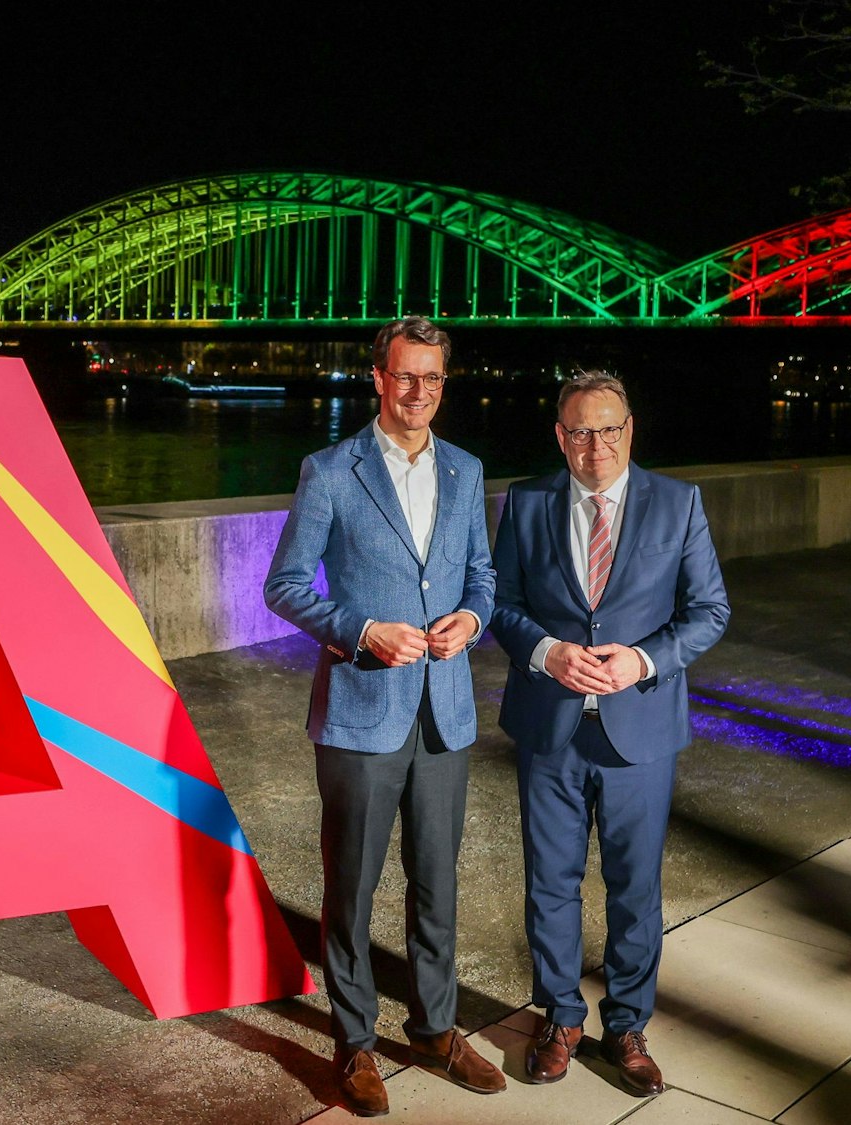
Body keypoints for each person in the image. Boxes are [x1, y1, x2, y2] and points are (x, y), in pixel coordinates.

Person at [264, 316, 504, 1117]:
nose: (418, 393)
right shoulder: (331, 470)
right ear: (377, 376)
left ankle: (436, 1027)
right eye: (405, 376)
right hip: (362, 711)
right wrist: (361, 630)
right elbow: (287, 586)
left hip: (446, 712)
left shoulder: (467, 471)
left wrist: (471, 620)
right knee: (353, 886)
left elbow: (481, 578)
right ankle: (356, 1039)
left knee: (437, 882)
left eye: (432, 379)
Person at [488, 371, 729, 1097]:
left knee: (634, 887)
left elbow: (709, 609)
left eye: (610, 428)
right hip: (549, 724)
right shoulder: (526, 501)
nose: (597, 445)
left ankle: (626, 1024)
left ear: (632, 429)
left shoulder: (677, 502)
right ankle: (560, 1016)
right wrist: (545, 651)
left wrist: (644, 658)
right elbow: (500, 603)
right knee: (550, 882)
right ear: (560, 436)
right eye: (580, 431)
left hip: (640, 729)